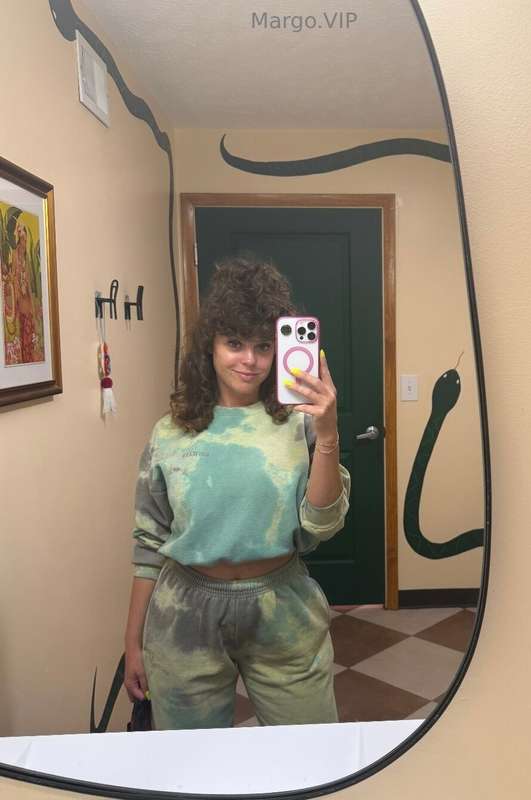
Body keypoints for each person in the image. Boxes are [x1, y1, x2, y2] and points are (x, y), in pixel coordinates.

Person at [123, 255, 351, 729]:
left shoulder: (300, 423)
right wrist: (133, 643)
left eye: (263, 346)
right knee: (191, 761)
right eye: (234, 343)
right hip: (185, 614)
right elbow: (148, 544)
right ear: (209, 346)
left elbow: (323, 523)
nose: (250, 360)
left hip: (282, 607)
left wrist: (328, 434)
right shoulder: (170, 433)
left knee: (310, 751)